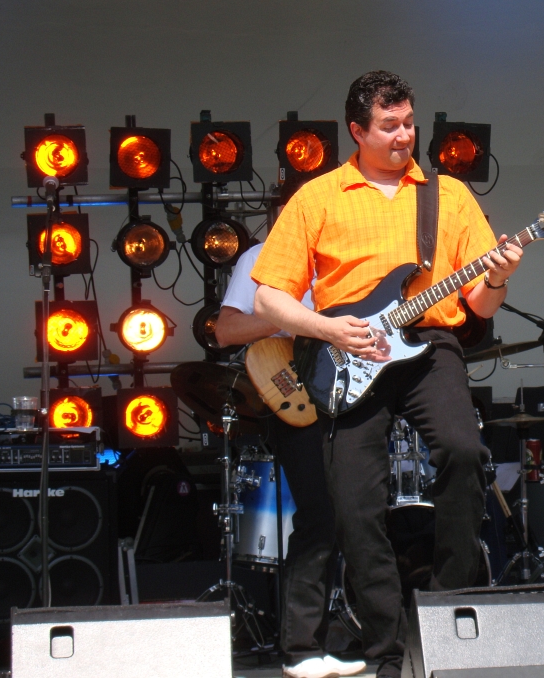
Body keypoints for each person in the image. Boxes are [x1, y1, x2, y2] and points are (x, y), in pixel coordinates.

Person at [251, 70, 522, 678]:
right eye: (389, 126)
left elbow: (480, 305)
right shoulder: (318, 197)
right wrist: (327, 330)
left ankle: (447, 610)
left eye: (409, 124)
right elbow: (269, 297)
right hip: (346, 352)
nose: (404, 136)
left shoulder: (448, 195)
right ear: (357, 130)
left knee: (464, 453)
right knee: (354, 504)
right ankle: (387, 650)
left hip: (430, 344)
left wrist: (498, 276)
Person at [216, 244, 366, 678]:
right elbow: (226, 330)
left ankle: (376, 638)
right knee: (319, 517)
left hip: (354, 390)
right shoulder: (262, 256)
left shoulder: (354, 250)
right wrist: (296, 319)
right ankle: (302, 649)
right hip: (296, 391)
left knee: (357, 514)